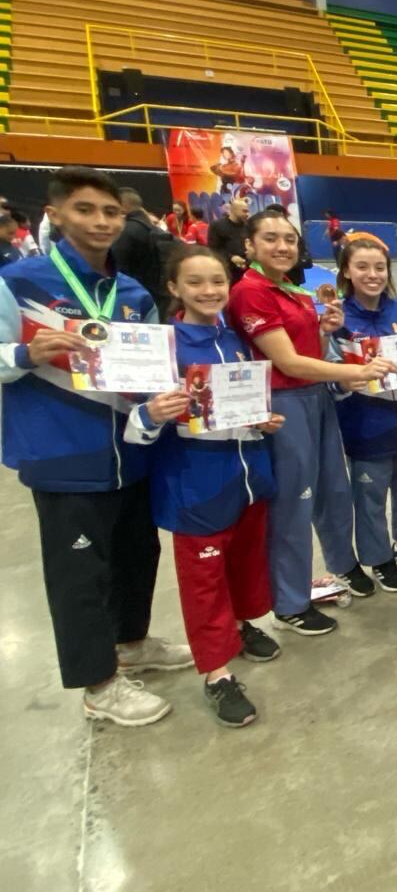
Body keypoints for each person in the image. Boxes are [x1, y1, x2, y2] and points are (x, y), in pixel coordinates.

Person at [0, 165, 192, 727]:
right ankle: (99, 684)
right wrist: (25, 355)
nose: (101, 221)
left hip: (131, 450)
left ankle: (132, 643)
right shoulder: (19, 283)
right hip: (63, 452)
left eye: (111, 212)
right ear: (55, 215)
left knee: (138, 554)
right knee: (80, 575)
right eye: (85, 209)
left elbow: (154, 373)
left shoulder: (132, 292)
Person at [124, 246, 285, 727]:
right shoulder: (163, 347)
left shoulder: (234, 339)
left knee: (245, 563)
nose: (209, 290)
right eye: (195, 282)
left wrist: (261, 420)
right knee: (204, 583)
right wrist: (151, 415)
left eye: (217, 281)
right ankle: (217, 672)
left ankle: (240, 624)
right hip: (194, 484)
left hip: (247, 476)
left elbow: (238, 407)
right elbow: (135, 423)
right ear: (173, 288)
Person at [225, 209, 397, 636]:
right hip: (284, 402)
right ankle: (289, 602)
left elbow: (311, 354)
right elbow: (286, 362)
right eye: (270, 238)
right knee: (293, 503)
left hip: (315, 399)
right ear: (249, 245)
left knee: (332, 491)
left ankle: (343, 564)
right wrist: (357, 371)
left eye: (289, 239)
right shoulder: (250, 292)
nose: (282, 246)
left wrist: (323, 330)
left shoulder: (296, 292)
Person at [334, 236, 397, 592]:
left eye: (380, 268)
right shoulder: (337, 317)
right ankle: (378, 558)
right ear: (346, 271)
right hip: (364, 424)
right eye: (362, 267)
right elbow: (329, 367)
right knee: (370, 497)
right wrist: (344, 381)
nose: (373, 275)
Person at [112, 188, 179, 316]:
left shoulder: (126, 231)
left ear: (123, 205)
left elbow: (116, 268)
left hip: (133, 300)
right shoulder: (155, 229)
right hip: (159, 299)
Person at [207, 198, 250, 282]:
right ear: (234, 210)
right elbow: (214, 249)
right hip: (227, 270)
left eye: (247, 211)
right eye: (244, 211)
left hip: (246, 269)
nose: (247, 214)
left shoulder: (248, 226)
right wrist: (231, 257)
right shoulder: (217, 226)